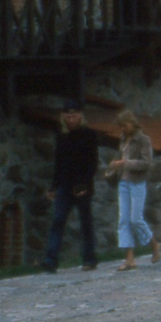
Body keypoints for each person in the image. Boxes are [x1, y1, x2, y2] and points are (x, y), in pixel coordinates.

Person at [40, 101, 100, 274]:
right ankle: (51, 260)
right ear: (63, 117)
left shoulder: (88, 134)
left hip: (82, 185)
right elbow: (59, 164)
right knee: (58, 221)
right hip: (65, 186)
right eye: (68, 115)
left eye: (74, 115)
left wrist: (84, 184)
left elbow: (92, 163)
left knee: (85, 222)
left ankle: (89, 258)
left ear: (80, 116)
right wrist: (53, 186)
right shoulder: (62, 136)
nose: (71, 119)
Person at [108, 109, 158, 272]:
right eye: (120, 126)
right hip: (123, 182)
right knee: (124, 220)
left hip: (137, 182)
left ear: (132, 123)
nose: (122, 129)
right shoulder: (124, 139)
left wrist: (126, 163)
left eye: (124, 125)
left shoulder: (143, 140)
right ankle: (129, 258)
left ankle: (153, 244)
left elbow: (147, 163)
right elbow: (120, 158)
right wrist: (114, 167)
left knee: (135, 219)